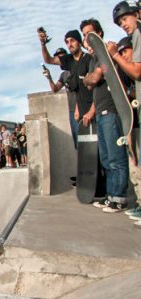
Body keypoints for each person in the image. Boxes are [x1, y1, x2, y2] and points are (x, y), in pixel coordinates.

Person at [82, 18, 129, 213]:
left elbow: (94, 79)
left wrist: (88, 78)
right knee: (106, 158)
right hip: (100, 111)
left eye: (89, 34)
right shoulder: (94, 59)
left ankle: (119, 197)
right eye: (84, 35)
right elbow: (92, 86)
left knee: (116, 157)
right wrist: (92, 111)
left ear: (98, 34)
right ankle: (111, 196)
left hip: (112, 110)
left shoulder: (106, 53)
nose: (86, 38)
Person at [108, 1, 141, 225]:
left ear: (137, 14)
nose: (124, 26)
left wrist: (114, 56)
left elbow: (137, 71)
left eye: (125, 20)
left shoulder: (139, 32)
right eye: (120, 24)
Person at [40, 28, 94, 139]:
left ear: (79, 42)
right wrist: (43, 44)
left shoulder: (89, 59)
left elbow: (96, 89)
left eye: (72, 41)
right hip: (80, 111)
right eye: (67, 42)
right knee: (83, 146)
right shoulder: (69, 61)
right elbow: (48, 60)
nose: (69, 44)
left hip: (93, 109)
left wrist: (91, 111)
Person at [43, 47, 79, 148]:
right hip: (71, 111)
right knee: (77, 142)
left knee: (86, 140)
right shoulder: (64, 75)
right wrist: (49, 77)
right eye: (58, 58)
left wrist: (78, 107)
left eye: (61, 57)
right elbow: (55, 89)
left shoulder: (76, 68)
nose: (59, 60)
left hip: (80, 107)